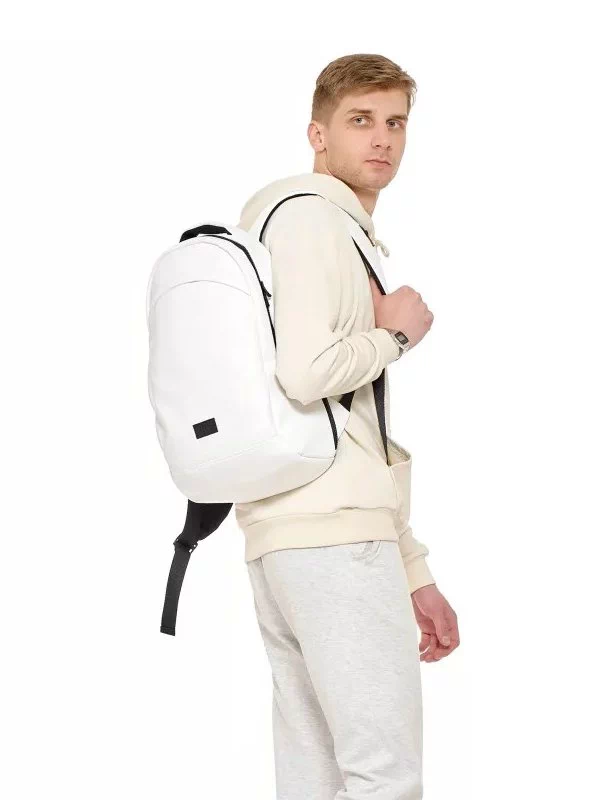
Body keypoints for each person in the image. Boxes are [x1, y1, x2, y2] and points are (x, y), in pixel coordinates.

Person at [236, 53, 460, 800]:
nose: (382, 139)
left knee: (316, 777)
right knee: (382, 774)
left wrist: (413, 571)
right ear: (318, 134)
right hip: (335, 539)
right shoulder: (313, 220)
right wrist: (394, 335)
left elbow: (347, 424)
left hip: (290, 533)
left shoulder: (294, 224)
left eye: (396, 122)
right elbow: (307, 375)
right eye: (360, 120)